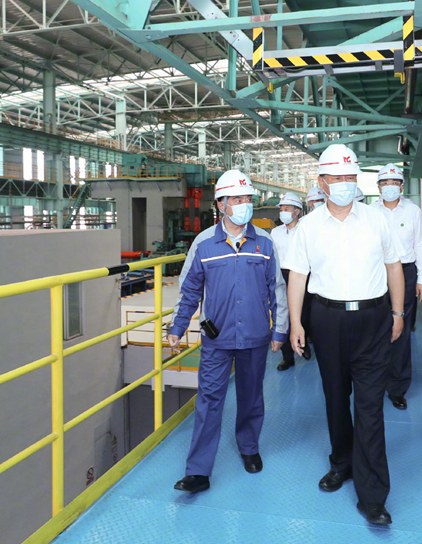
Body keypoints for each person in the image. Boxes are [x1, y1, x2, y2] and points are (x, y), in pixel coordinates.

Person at [283, 144, 406, 526]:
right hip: (327, 320)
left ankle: (373, 496)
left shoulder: (376, 219)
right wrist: (296, 323)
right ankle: (342, 463)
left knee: (369, 407)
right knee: (336, 399)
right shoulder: (309, 227)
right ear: (321, 182)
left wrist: (398, 312)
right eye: (337, 178)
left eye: (350, 177)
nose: (344, 184)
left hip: (373, 319)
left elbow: (394, 267)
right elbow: (297, 277)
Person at [169, 169, 288, 494]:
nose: (244, 204)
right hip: (216, 338)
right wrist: (178, 326)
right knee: (208, 401)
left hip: (255, 336)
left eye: (247, 198)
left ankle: (249, 448)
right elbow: (189, 289)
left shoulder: (264, 243)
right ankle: (198, 471)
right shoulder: (204, 244)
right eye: (237, 199)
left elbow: (276, 288)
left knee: (251, 396)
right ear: (221, 204)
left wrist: (279, 330)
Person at [371, 164, 422, 410]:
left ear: (401, 187)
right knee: (374, 329)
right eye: (385, 183)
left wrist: (421, 279)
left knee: (400, 330)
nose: (389, 187)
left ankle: (397, 387)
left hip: (405, 273)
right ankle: (373, 381)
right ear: (378, 188)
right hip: (376, 272)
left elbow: (420, 245)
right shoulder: (370, 212)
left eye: (394, 183)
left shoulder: (413, 211)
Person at [271, 192, 312, 370]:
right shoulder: (275, 232)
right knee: (283, 315)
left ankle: (303, 343)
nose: (283, 212)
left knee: (304, 314)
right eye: (281, 209)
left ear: (297, 211)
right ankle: (287, 357)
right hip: (281, 275)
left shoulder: (306, 230)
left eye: (287, 209)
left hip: (302, 275)